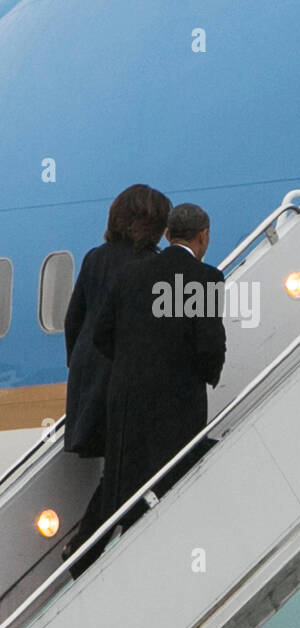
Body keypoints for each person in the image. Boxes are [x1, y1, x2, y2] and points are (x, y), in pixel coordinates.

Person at [94, 203, 226, 538]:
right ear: (204, 236)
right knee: (174, 482)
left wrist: (131, 365)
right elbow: (209, 344)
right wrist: (205, 375)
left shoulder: (130, 274)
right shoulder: (204, 278)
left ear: (167, 234)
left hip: (126, 400)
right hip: (177, 404)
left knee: (126, 485)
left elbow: (101, 334)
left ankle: (93, 547)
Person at [61, 184, 171, 574]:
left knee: (123, 469)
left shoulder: (94, 259)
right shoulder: (153, 267)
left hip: (89, 379)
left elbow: (74, 321)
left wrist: (80, 369)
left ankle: (89, 548)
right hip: (123, 382)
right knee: (133, 469)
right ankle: (85, 550)